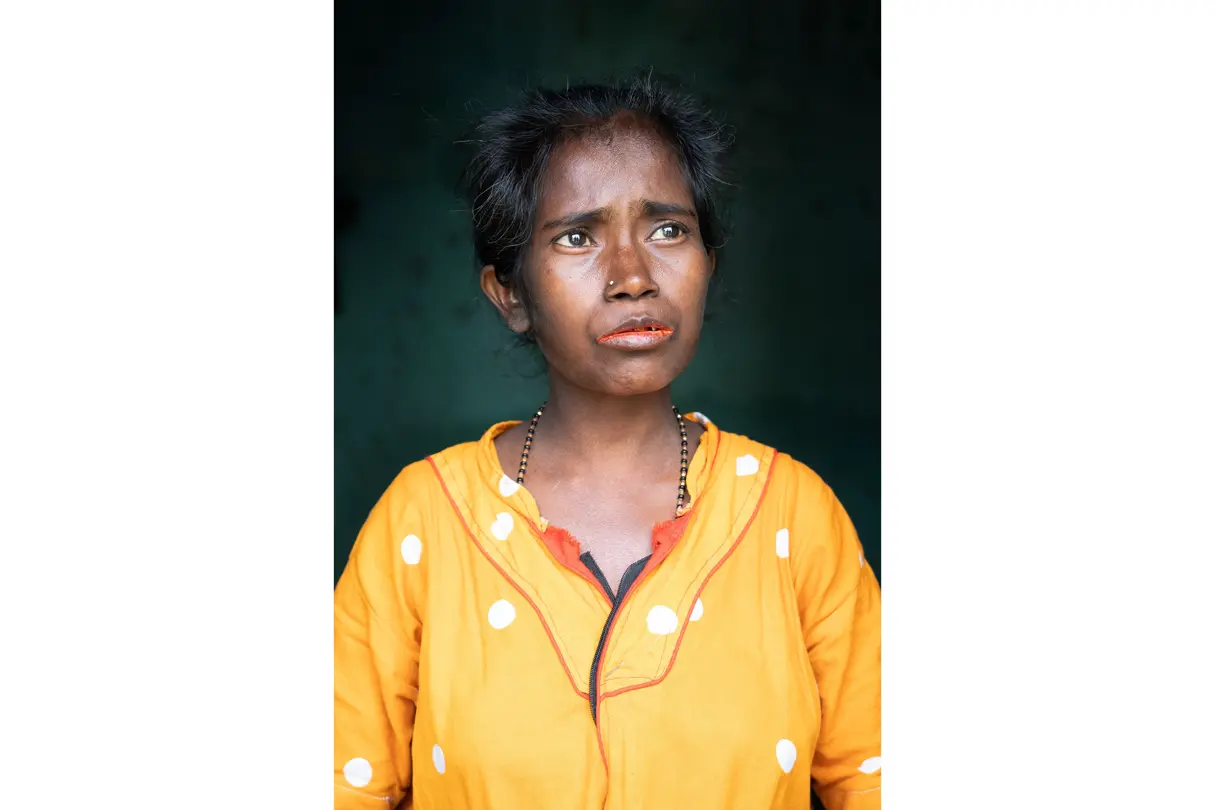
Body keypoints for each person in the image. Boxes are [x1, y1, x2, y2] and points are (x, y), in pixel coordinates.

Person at [334, 73, 881, 810]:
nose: (631, 276)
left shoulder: (792, 515)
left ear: (707, 264)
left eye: (666, 230)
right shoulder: (422, 522)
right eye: (576, 237)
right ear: (511, 294)